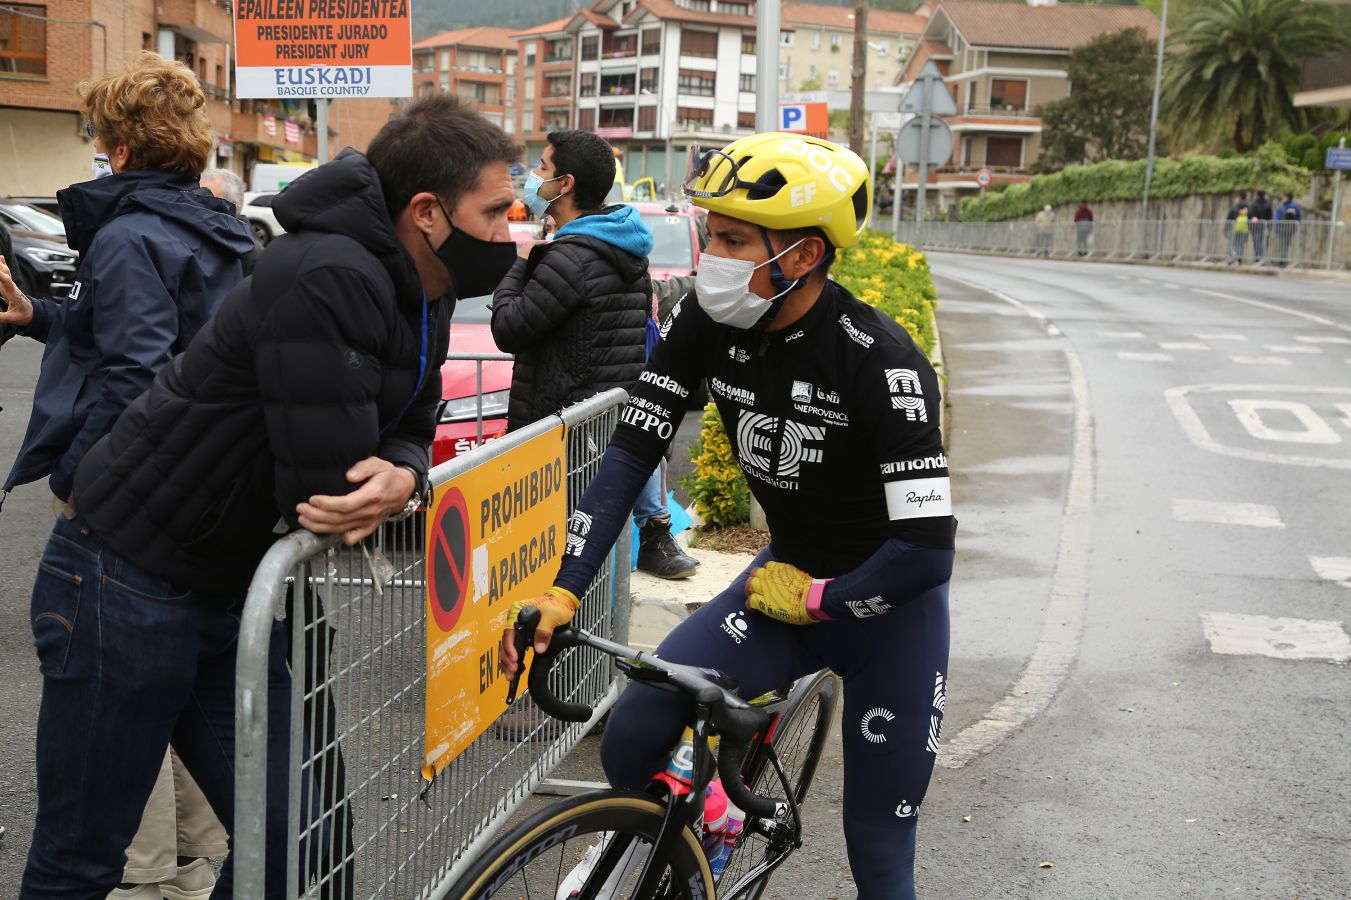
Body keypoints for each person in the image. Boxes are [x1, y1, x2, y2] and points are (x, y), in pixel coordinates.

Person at [12, 92, 520, 898]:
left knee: (301, 846)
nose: (511, 228)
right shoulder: (328, 273)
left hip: (226, 588)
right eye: (496, 210)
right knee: (82, 859)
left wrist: (409, 473)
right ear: (427, 210)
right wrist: (385, 477)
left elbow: (415, 422)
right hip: (123, 583)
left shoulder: (429, 282)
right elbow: (327, 491)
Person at [500, 132, 955, 900]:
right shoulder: (707, 323)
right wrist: (564, 587)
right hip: (779, 580)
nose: (711, 251)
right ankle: (706, 818)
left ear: (803, 256)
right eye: (711, 232)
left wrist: (819, 601)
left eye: (734, 238)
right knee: (638, 730)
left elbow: (925, 553)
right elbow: (630, 452)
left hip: (885, 608)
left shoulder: (881, 360)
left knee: (878, 853)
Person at [0, 53, 255, 900]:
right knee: (285, 828)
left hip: (123, 562)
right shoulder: (221, 230)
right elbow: (163, 347)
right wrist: (40, 315)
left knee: (76, 856)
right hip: (211, 547)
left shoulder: (127, 231)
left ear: (116, 144)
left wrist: (80, 479)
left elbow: (137, 378)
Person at [492, 130, 697, 579]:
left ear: (564, 184)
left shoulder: (569, 258)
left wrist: (522, 261)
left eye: (542, 168)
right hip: (603, 424)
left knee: (561, 565)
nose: (534, 178)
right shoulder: (621, 244)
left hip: (564, 432)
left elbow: (508, 329)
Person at [200, 167, 262, 275]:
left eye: (207, 198)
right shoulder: (197, 236)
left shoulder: (252, 254)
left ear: (233, 205)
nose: (196, 205)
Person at [1274, 192, 1303, 267]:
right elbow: (1300, 218)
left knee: (1283, 246)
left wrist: (1277, 228)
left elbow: (1277, 218)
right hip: (1290, 229)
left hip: (1284, 229)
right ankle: (1283, 261)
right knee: (1285, 246)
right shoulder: (1296, 206)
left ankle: (1283, 262)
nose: (1283, 199)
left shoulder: (1282, 206)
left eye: (1284, 197)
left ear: (1287, 198)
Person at [1249, 189, 1273, 263]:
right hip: (1265, 226)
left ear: (1257, 195)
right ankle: (1262, 257)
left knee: (1257, 242)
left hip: (1255, 227)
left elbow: (1250, 215)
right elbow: (1270, 217)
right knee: (1264, 242)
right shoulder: (1268, 204)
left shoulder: (1254, 204)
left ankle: (1259, 258)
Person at [1226, 191, 1249, 264]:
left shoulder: (1236, 205)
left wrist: (1226, 227)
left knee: (1233, 243)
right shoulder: (1249, 205)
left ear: (1239, 197)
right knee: (1240, 244)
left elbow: (1230, 215)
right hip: (1244, 227)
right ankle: (1239, 259)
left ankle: (1234, 256)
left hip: (1235, 226)